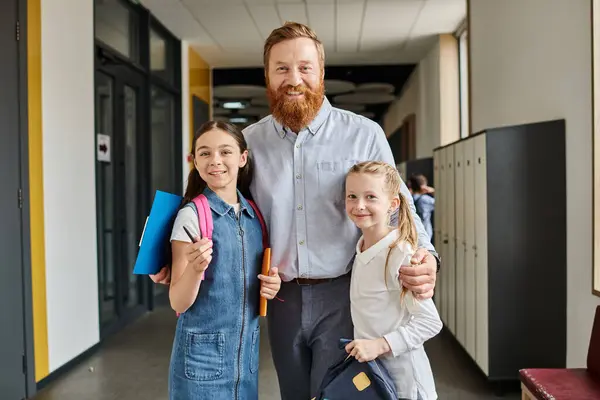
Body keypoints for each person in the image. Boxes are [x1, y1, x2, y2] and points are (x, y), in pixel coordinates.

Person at [152, 22, 440, 399]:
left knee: (338, 392)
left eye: (304, 67)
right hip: (279, 297)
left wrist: (427, 257)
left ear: (321, 73)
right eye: (282, 68)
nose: (293, 79)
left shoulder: (363, 134)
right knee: (293, 392)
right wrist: (171, 256)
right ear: (268, 77)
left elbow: (399, 206)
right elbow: (218, 201)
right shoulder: (250, 142)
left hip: (344, 293)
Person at [167, 121, 281, 400]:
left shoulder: (254, 215)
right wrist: (195, 270)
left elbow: (258, 279)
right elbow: (178, 302)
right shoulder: (192, 216)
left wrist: (272, 285)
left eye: (225, 152)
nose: (215, 161)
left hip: (245, 363)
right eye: (204, 153)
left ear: (242, 158)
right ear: (194, 161)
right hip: (200, 365)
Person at [344, 161, 442, 400]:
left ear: (393, 204)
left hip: (407, 386)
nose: (359, 205)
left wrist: (379, 345)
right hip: (377, 379)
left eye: (370, 197)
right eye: (352, 196)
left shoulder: (401, 254)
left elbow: (430, 322)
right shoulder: (362, 248)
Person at [408, 174, 435, 241]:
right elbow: (444, 204)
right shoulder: (425, 200)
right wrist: (433, 191)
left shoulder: (409, 198)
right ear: (423, 187)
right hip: (424, 234)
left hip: (411, 232)